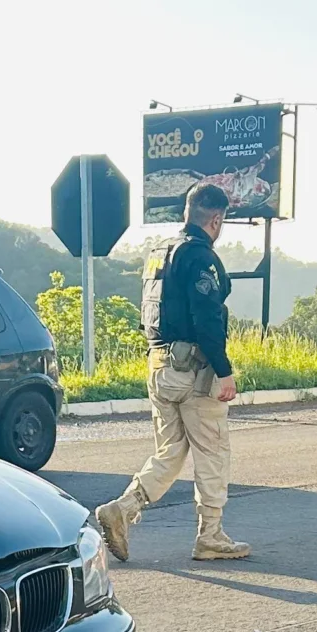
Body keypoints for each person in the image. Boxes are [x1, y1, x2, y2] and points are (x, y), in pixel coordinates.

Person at [93, 181, 247, 563]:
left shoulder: (159, 252)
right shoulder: (200, 257)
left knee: (172, 450)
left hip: (159, 364)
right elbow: (207, 318)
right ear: (216, 218)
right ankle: (210, 536)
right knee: (212, 452)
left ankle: (124, 508)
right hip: (193, 369)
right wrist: (224, 372)